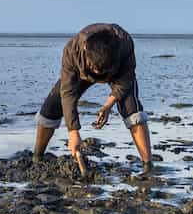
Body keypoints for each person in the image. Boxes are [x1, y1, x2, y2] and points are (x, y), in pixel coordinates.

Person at [33, 23, 153, 176]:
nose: (98, 74)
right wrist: (73, 132)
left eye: (101, 70)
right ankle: (37, 156)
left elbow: (125, 80)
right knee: (53, 105)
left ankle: (148, 165)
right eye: (95, 68)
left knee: (131, 108)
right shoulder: (72, 50)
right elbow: (68, 94)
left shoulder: (125, 44)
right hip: (81, 71)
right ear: (85, 51)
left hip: (117, 73)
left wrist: (108, 105)